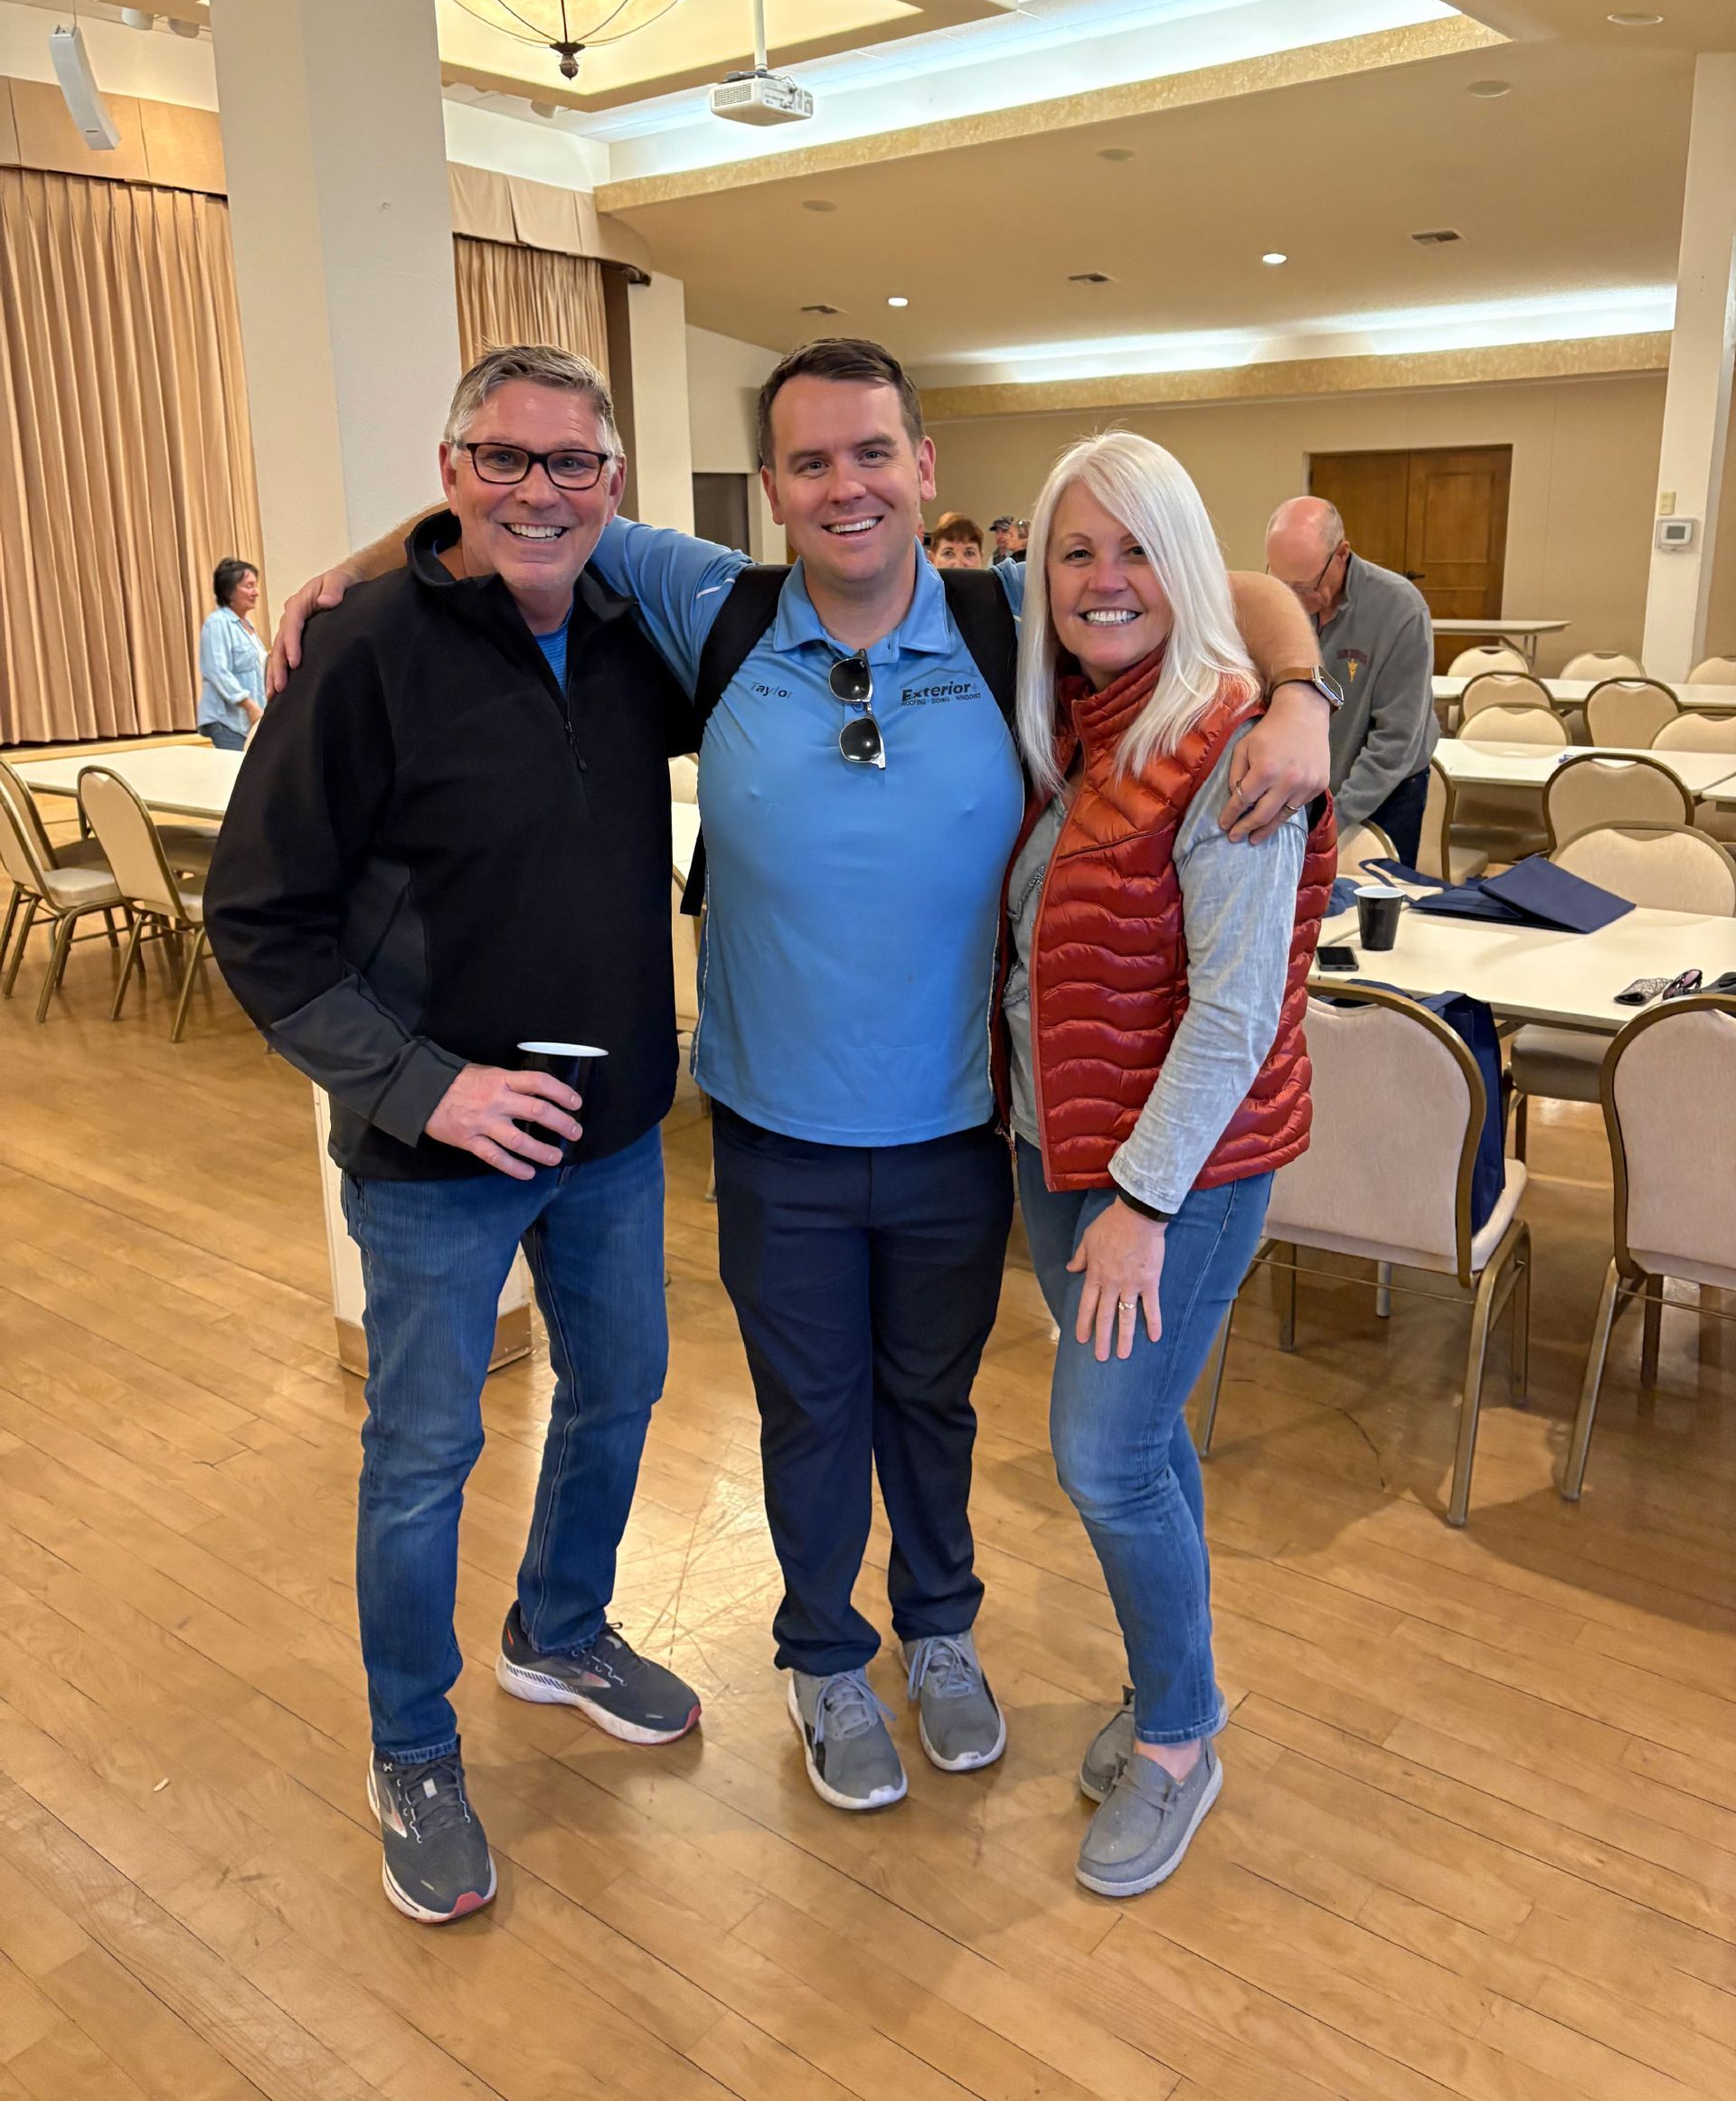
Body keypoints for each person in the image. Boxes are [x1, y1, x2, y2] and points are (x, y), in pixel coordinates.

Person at [269, 337, 1334, 1819]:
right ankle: (825, 1654)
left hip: (964, 1128)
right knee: (809, 1416)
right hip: (773, 1139)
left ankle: (942, 1632)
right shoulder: (715, 602)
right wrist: (340, 567)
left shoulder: (1006, 612)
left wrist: (1298, 691)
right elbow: (514, 501)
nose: (848, 484)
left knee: (937, 1407)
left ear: (925, 471)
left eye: (874, 453)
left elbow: (1236, 587)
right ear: (770, 486)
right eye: (814, 460)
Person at [206, 346, 700, 1927]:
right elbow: (261, 922)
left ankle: (558, 1624)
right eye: (502, 458)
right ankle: (411, 1742)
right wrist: (426, 1085)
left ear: (615, 485)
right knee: (423, 1456)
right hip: (436, 1156)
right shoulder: (361, 649)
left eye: (572, 464)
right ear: (449, 465)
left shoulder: (643, 644)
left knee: (620, 1384)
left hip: (615, 1129)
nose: (539, 489)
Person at [1001, 432, 1333, 1895]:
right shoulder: (1074, 724)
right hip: (1056, 1148)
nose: (1105, 578)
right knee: (1146, 1445)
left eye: (1138, 547)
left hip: (1173, 1176)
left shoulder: (1227, 739)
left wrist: (1140, 1200)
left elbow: (1238, 1005)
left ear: (1185, 563)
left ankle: (1184, 1735)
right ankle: (1167, 1678)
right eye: (1077, 551)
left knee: (1105, 1451)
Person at [1263, 496, 1437, 864]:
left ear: (1342, 554)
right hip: (1305, 788)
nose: (1294, 598)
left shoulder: (1401, 611)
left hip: (1386, 792)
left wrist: (1335, 817)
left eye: (1306, 586)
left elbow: (1395, 741)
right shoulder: (1275, 601)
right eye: (1282, 584)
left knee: (1377, 909)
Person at [196, 558, 266, 749]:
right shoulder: (218, 623)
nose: (256, 592)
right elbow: (218, 671)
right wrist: (249, 705)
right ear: (230, 591)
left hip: (248, 722)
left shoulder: (247, 626)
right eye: (249, 586)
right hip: (227, 722)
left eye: (256, 586)